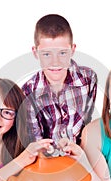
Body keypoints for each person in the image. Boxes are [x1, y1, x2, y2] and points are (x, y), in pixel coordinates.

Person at [22, 14, 98, 145]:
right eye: (46, 54)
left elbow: (87, 125)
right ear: (35, 52)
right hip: (47, 159)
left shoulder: (88, 79)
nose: (55, 62)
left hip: (81, 153)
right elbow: (36, 143)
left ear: (72, 50)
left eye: (62, 53)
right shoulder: (28, 92)